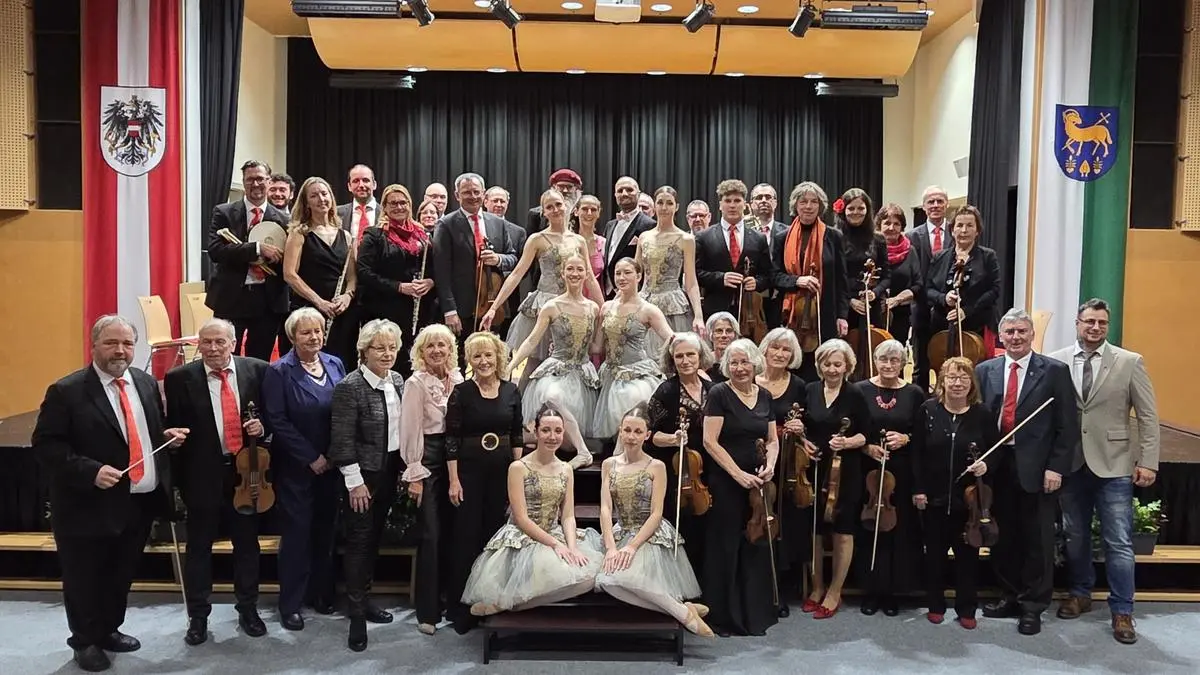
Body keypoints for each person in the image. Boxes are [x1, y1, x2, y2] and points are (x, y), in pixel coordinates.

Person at [33, 315, 188, 672]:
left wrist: (165, 435)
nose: (120, 350)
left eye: (127, 344)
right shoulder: (66, 391)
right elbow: (45, 446)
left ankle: (108, 629)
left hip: (137, 501)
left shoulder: (145, 383)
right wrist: (90, 471)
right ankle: (84, 640)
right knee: (85, 576)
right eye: (111, 343)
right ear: (94, 346)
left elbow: (144, 430)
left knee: (121, 573)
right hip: (86, 505)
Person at [1049, 298, 1160, 644]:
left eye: (1102, 322)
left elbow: (1148, 416)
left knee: (1118, 541)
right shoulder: (1056, 361)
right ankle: (1080, 593)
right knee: (1075, 536)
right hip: (1071, 463)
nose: (1095, 327)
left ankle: (1122, 610)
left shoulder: (1129, 362)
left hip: (1114, 465)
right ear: (1077, 323)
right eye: (1089, 321)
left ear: (1107, 326)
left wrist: (1148, 461)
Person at [163, 319, 270, 646]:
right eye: (206, 342)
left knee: (247, 546)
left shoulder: (258, 370)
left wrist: (263, 428)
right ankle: (198, 617)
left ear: (233, 344)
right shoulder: (178, 378)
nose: (212, 348)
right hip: (201, 476)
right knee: (199, 549)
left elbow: (271, 416)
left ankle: (248, 609)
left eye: (220, 342)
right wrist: (172, 441)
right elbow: (171, 427)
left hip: (247, 474)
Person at [975, 308, 1079, 636]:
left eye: (1022, 331)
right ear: (1001, 336)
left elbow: (1067, 426)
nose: (1016, 337)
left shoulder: (1054, 371)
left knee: (1037, 540)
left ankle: (1033, 606)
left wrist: (1056, 467)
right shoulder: (985, 370)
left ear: (1032, 334)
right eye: (1010, 332)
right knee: (1003, 536)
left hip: (1037, 467)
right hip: (996, 466)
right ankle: (1009, 595)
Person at [462, 404, 603, 616]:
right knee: (546, 569)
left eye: (558, 431)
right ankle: (505, 601)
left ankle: (510, 604)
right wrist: (555, 545)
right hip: (524, 536)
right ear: (535, 432)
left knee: (590, 576)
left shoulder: (566, 469)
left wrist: (572, 547)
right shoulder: (518, 467)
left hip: (554, 531)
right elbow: (521, 518)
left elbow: (567, 516)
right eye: (546, 430)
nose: (552, 436)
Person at [591, 404, 713, 637]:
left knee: (625, 580)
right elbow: (606, 508)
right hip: (620, 532)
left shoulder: (656, 466)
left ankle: (682, 613)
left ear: (647, 435)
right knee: (607, 582)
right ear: (620, 431)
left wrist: (632, 546)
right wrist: (611, 547)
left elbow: (657, 513)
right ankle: (681, 610)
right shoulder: (609, 464)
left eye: (638, 432)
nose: (631, 436)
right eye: (627, 430)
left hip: (648, 535)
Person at [261, 308, 347, 631]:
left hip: (332, 464)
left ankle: (320, 593)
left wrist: (334, 453)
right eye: (306, 332)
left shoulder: (335, 363)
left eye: (318, 331)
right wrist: (311, 457)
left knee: (326, 531)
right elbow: (277, 421)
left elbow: (343, 409)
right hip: (297, 467)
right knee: (297, 535)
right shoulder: (279, 371)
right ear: (292, 336)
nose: (314, 337)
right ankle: (291, 604)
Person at [329, 319, 407, 651]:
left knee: (374, 540)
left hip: (389, 471)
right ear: (364, 350)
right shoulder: (350, 386)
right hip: (362, 477)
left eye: (392, 348)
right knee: (359, 543)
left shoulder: (398, 380)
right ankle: (357, 615)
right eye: (380, 348)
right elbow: (342, 440)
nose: (387, 354)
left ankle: (366, 599)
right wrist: (354, 483)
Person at [444, 332, 525, 633]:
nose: (483, 361)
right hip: (468, 475)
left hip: (501, 475)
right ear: (469, 360)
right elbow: (451, 439)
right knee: (465, 538)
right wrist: (454, 480)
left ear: (498, 357)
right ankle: (462, 609)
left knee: (494, 537)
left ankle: (490, 604)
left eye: (488, 355)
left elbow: (517, 435)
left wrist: (517, 477)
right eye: (477, 356)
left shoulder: (511, 391)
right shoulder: (461, 392)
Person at [480, 190, 603, 384]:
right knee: (535, 363)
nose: (555, 210)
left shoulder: (578, 241)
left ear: (566, 206)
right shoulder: (537, 239)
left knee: (566, 359)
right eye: (549, 207)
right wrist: (494, 307)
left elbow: (589, 277)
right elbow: (517, 274)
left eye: (558, 204)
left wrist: (604, 308)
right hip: (544, 304)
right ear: (544, 212)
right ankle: (522, 400)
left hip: (572, 306)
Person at [911, 357, 998, 629]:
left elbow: (996, 452)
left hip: (968, 503)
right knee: (934, 557)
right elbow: (917, 454)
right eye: (952, 377)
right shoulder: (928, 410)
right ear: (942, 381)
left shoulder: (982, 414)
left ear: (972, 383)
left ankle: (967, 608)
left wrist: (986, 464)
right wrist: (919, 489)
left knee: (967, 558)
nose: (957, 383)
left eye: (963, 378)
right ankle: (935, 605)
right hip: (934, 498)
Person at [702, 339, 780, 636]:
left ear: (754, 364)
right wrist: (737, 475)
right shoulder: (719, 393)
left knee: (754, 542)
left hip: (757, 482)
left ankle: (754, 611)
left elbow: (772, 440)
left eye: (744, 362)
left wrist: (770, 465)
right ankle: (723, 615)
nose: (739, 368)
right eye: (733, 363)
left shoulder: (765, 395)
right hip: (727, 479)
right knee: (726, 544)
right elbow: (710, 441)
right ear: (726, 366)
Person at [398, 324, 464, 635]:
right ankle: (428, 611)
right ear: (421, 352)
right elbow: (410, 428)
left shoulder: (460, 380)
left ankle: (453, 602)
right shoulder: (415, 384)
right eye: (430, 346)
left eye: (442, 345)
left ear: (451, 350)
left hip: (457, 460)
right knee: (431, 535)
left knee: (455, 535)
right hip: (428, 460)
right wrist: (414, 472)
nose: (437, 350)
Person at [504, 253, 599, 468]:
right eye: (570, 269)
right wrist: (510, 365)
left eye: (579, 269)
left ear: (586, 273)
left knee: (567, 443)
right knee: (551, 396)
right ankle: (583, 453)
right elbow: (531, 340)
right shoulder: (551, 306)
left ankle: (573, 447)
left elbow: (596, 346)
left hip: (583, 373)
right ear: (562, 273)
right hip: (557, 368)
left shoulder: (593, 308)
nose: (575, 273)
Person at [853, 339, 924, 616]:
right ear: (875, 361)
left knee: (899, 532)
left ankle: (893, 591)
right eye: (883, 359)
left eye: (895, 360)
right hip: (868, 471)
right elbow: (853, 428)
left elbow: (923, 432)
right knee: (870, 529)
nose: (889, 365)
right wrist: (867, 447)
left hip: (902, 472)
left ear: (903, 363)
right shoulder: (860, 390)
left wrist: (906, 438)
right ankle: (872, 590)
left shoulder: (915, 393)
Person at [801, 339, 869, 619]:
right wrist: (804, 442)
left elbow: (866, 435)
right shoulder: (810, 390)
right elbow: (804, 426)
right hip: (814, 467)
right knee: (814, 531)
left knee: (843, 530)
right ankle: (817, 587)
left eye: (837, 364)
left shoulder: (855, 393)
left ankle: (834, 591)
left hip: (845, 470)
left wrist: (847, 442)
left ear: (847, 366)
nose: (832, 369)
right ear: (819, 365)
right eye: (827, 364)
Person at [205, 160, 291, 361]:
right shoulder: (224, 213)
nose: (256, 184)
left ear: (269, 181)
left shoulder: (285, 220)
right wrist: (257, 248)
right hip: (230, 298)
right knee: (224, 357)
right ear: (243, 182)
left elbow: (289, 261)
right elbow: (216, 251)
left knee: (259, 361)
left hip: (268, 301)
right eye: (250, 179)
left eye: (260, 179)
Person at [647, 332, 715, 581]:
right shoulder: (666, 391)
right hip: (680, 470)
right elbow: (651, 436)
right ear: (672, 360)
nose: (685, 361)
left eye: (690, 355)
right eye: (679, 356)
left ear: (700, 356)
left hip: (710, 466)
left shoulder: (713, 389)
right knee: (684, 526)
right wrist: (674, 439)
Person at [773, 181, 849, 382]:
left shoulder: (834, 236)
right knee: (792, 363)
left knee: (824, 363)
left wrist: (842, 315)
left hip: (825, 312)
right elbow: (774, 276)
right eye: (803, 201)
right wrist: (797, 280)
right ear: (795, 205)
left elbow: (842, 280)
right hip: (792, 315)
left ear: (820, 205)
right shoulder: (781, 237)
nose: (808, 206)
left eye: (814, 201)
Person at [357, 184, 435, 377]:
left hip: (418, 310)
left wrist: (430, 282)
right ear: (384, 206)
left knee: (416, 362)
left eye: (403, 202)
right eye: (393, 203)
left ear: (410, 204)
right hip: (385, 309)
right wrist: (399, 287)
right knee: (391, 362)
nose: (399, 207)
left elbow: (433, 268)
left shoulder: (422, 234)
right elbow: (364, 272)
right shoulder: (374, 235)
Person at [754, 327, 806, 616]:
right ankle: (757, 585)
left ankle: (781, 588)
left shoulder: (799, 386)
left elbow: (808, 421)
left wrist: (801, 426)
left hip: (787, 464)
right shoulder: (750, 379)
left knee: (784, 521)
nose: (780, 353)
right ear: (764, 349)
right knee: (758, 518)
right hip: (754, 457)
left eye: (786, 349)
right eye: (775, 347)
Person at [431, 172, 518, 342]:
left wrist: (498, 259)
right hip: (461, 309)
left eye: (477, 192)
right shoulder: (446, 225)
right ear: (457, 195)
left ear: (483, 193)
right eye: (467, 192)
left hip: (492, 307)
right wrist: (449, 310)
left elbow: (513, 258)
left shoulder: (498, 223)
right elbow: (441, 272)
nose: (473, 196)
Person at [283, 176, 359, 369]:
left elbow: (352, 277)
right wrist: (319, 302)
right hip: (311, 310)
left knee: (343, 361)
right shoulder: (299, 233)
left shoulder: (346, 235)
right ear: (306, 202)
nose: (321, 199)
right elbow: (289, 274)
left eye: (324, 194)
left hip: (341, 311)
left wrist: (347, 296)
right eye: (314, 196)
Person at [592, 258, 672, 439]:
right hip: (610, 373)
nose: (621, 277)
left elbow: (670, 338)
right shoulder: (606, 307)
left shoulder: (648, 310)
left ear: (639, 276)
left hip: (636, 373)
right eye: (618, 273)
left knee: (631, 400)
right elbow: (597, 347)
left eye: (627, 272)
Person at [635, 186, 706, 358]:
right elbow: (635, 273)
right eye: (660, 203)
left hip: (673, 306)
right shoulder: (644, 237)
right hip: (645, 300)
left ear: (677, 207)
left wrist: (698, 315)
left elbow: (691, 281)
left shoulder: (685, 239)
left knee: (674, 354)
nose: (664, 207)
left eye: (669, 203)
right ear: (654, 205)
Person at [924, 205, 1002, 355]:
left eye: (970, 225)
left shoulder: (988, 256)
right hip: (942, 326)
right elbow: (928, 289)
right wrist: (944, 298)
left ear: (977, 230)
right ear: (952, 230)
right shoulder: (939, 257)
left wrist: (966, 311)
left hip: (978, 325)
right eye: (959, 225)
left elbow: (994, 290)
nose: (964, 230)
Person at [695, 179, 772, 321]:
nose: (732, 205)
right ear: (720, 205)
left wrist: (757, 283)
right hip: (714, 312)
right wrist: (720, 278)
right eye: (727, 201)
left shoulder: (759, 238)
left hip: (750, 314)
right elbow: (696, 274)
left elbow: (768, 275)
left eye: (737, 201)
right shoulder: (703, 237)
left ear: (745, 205)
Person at [836, 188, 890, 380]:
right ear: (843, 210)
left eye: (861, 208)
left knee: (873, 353)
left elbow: (886, 275)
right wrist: (850, 300)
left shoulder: (878, 239)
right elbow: (834, 277)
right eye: (851, 208)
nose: (856, 212)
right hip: (844, 307)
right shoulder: (835, 237)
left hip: (870, 306)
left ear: (868, 210)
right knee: (843, 355)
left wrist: (875, 292)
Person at [907, 186, 951, 393]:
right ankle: (920, 400)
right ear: (923, 207)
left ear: (946, 204)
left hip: (948, 307)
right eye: (931, 202)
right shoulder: (911, 236)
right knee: (920, 362)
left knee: (947, 359)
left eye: (940, 201)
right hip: (921, 307)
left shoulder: (957, 232)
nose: (935, 205)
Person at [601, 176, 656, 296]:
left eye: (629, 190)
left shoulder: (649, 225)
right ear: (615, 195)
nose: (624, 193)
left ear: (638, 194)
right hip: (607, 293)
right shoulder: (610, 225)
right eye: (620, 191)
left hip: (635, 293)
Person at [876, 203, 921, 346]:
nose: (891, 228)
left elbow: (918, 284)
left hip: (901, 316)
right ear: (879, 225)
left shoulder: (910, 251)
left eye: (896, 224)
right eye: (887, 223)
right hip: (873, 313)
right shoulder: (870, 248)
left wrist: (896, 300)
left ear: (902, 227)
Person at [575, 194, 608, 302]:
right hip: (571, 302)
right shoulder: (568, 241)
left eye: (593, 210)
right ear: (576, 211)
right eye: (584, 209)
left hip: (596, 302)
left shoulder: (604, 243)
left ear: (598, 213)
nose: (589, 213)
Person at [337, 163, 378, 244]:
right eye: (356, 181)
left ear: (374, 184)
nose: (361, 185)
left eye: (365, 180)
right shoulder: (336, 213)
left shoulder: (386, 213)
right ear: (349, 186)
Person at [705, 312, 739, 384]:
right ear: (711, 334)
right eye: (719, 331)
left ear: (735, 335)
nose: (724, 335)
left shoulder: (741, 360)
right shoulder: (704, 361)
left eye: (729, 331)